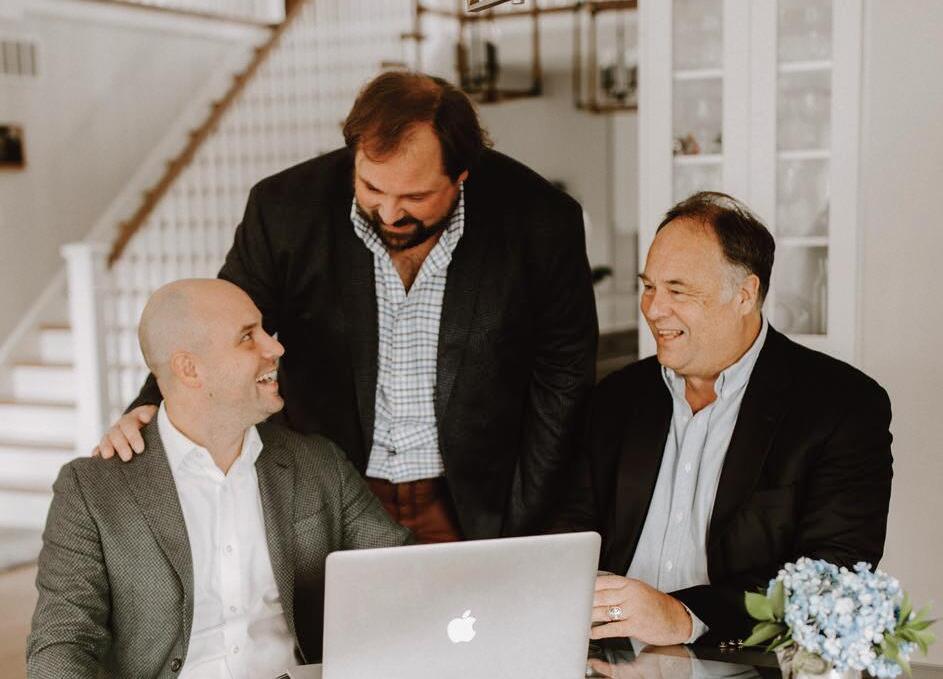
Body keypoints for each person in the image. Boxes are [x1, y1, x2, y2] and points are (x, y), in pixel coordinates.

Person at [96, 71, 598, 542]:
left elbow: (563, 372)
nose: (390, 212)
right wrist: (154, 406)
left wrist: (526, 513)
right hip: (326, 496)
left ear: (461, 175)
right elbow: (222, 326)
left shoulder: (541, 220)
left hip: (474, 500)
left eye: (416, 196)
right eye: (372, 187)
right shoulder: (285, 208)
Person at [28, 279, 410, 676]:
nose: (275, 348)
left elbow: (402, 575)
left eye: (265, 330)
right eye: (247, 337)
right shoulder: (91, 490)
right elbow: (62, 642)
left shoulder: (318, 463)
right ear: (190, 369)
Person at [585, 192, 893, 648]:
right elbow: (568, 532)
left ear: (745, 295)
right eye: (649, 287)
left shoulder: (842, 405)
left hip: (742, 662)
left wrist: (685, 616)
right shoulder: (614, 397)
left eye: (677, 291)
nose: (652, 308)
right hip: (601, 658)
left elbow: (833, 573)